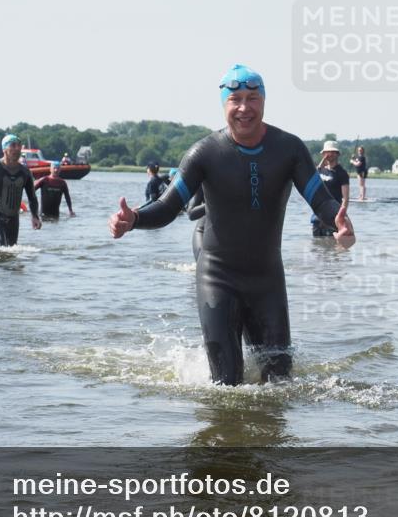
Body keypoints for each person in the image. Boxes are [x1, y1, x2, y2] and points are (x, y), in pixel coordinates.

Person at [108, 64, 355, 386]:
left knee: (280, 382)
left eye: (252, 98)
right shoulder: (205, 153)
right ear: (224, 104)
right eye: (235, 99)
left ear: (264, 101)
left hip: (267, 281)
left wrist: (339, 221)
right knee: (226, 384)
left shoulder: (289, 149)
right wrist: (134, 219)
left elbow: (320, 200)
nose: (244, 108)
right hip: (218, 278)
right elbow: (168, 206)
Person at [313, 140, 350, 237]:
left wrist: (341, 217)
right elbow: (313, 176)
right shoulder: (321, 170)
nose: (329, 154)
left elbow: (345, 199)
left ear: (337, 154)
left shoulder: (342, 173)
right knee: (316, 247)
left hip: (333, 216)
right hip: (318, 216)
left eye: (332, 152)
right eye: (327, 152)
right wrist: (323, 161)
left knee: (332, 245)